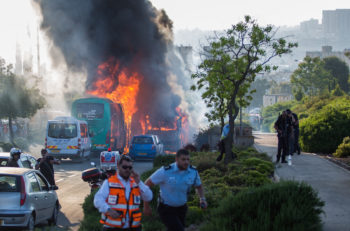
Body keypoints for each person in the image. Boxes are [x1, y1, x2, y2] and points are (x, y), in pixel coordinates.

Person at [143, 149, 207, 231]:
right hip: (166, 208)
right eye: (183, 159)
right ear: (176, 159)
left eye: (188, 159)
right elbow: (146, 185)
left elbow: (199, 186)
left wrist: (202, 199)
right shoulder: (165, 171)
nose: (186, 162)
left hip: (182, 208)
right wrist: (146, 206)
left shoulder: (192, 172)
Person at [94, 155, 152, 231]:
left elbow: (149, 197)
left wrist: (139, 182)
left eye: (130, 168)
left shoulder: (136, 183)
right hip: (113, 228)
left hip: (133, 228)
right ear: (118, 166)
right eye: (124, 167)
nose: (127, 169)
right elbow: (97, 199)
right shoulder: (109, 183)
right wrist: (108, 210)